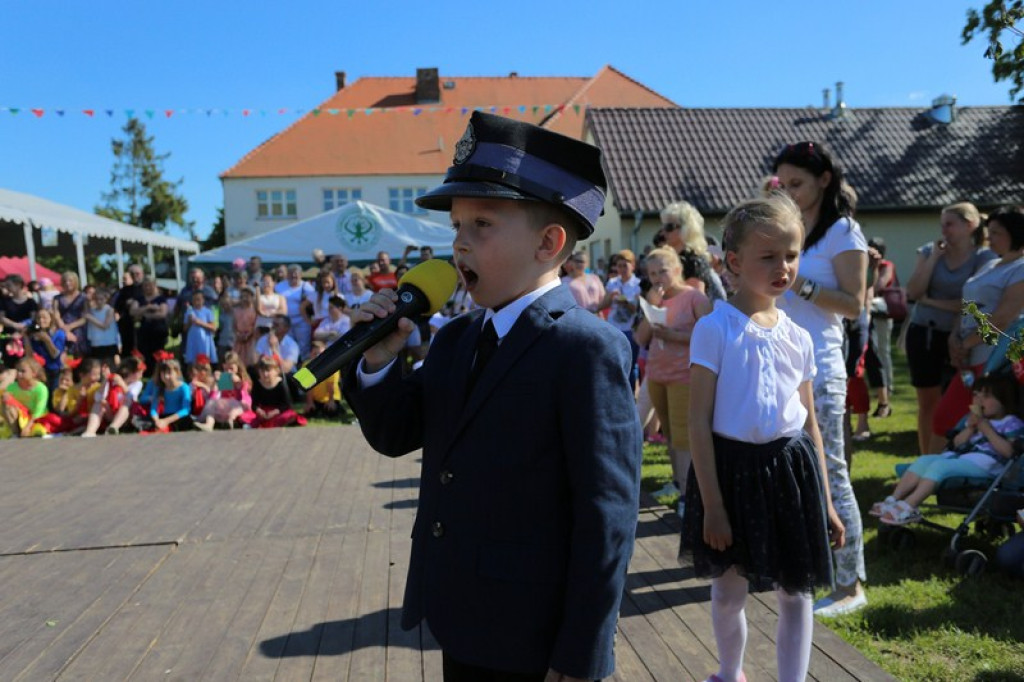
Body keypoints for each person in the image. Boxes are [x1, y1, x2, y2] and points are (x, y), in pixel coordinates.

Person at [342, 111, 641, 681]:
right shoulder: (456, 339)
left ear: (549, 242)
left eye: (482, 224)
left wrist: (582, 656)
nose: (458, 244)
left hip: (539, 631)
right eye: (456, 225)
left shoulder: (586, 348)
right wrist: (379, 362)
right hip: (461, 613)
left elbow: (607, 518)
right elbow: (396, 434)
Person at [681, 195, 842, 682]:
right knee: (730, 592)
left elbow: (810, 424)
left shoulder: (799, 335)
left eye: (791, 255)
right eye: (768, 256)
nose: (783, 267)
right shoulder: (715, 329)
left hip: (791, 472)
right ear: (734, 261)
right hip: (730, 473)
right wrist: (712, 505)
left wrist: (827, 502)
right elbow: (698, 422)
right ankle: (730, 674)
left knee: (797, 591)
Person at [773, 140, 868, 617]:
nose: (788, 192)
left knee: (832, 471)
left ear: (824, 180)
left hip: (823, 368)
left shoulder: (843, 231)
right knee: (790, 469)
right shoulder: (793, 227)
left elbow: (855, 303)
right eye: (782, 184)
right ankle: (810, 567)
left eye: (797, 184)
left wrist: (800, 283)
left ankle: (851, 584)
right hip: (778, 363)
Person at [904, 202, 996, 454]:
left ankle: (955, 457)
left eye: (950, 224)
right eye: (941, 224)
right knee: (928, 402)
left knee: (962, 401)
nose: (943, 230)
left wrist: (932, 301)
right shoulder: (928, 251)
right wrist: (933, 258)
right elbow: (913, 292)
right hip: (924, 334)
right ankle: (925, 459)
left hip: (962, 340)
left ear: (970, 225)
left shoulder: (984, 258)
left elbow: (970, 303)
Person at [872, 374, 1024, 525]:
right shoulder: (973, 420)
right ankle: (893, 499)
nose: (979, 400)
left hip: (989, 465)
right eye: (976, 395)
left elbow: (1010, 452)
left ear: (1003, 401)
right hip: (965, 459)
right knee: (925, 460)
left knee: (940, 466)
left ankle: (909, 505)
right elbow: (956, 444)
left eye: (987, 396)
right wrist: (970, 428)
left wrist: (986, 429)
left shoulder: (1010, 422)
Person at [935, 206, 1024, 440]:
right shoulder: (991, 264)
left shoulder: (1021, 268)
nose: (988, 238)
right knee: (944, 420)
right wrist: (955, 337)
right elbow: (968, 305)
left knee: (975, 426)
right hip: (969, 358)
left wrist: (966, 344)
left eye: (996, 233)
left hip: (995, 361)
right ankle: (929, 471)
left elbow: (1003, 318)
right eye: (988, 231)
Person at [634, 247, 712, 512]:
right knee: (668, 434)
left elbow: (711, 337)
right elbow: (640, 338)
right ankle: (678, 485)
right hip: (657, 375)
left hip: (685, 377)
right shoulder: (657, 299)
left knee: (683, 438)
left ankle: (689, 497)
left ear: (677, 270)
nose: (658, 278)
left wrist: (674, 337)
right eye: (653, 273)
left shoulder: (695, 298)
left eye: (663, 271)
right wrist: (651, 306)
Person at [660, 201, 727, 302]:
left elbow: (694, 302)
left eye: (669, 227)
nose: (663, 232)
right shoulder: (673, 258)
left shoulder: (693, 261)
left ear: (685, 229)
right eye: (663, 227)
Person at [601, 249, 643, 389]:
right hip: (613, 328)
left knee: (630, 365)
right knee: (613, 363)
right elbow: (604, 304)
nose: (622, 269)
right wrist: (610, 296)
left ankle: (630, 394)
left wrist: (626, 302)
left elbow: (637, 310)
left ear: (633, 266)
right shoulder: (612, 282)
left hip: (630, 329)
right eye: (619, 266)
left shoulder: (638, 284)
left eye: (625, 265)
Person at [193, 351, 253, 431]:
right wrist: (216, 382)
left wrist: (238, 383)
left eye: (231, 369)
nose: (229, 372)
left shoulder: (242, 380)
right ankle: (209, 424)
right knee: (211, 404)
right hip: (225, 406)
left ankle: (230, 423)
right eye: (226, 369)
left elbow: (244, 395)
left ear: (237, 367)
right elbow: (215, 396)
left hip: (241, 405)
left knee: (234, 411)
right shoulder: (225, 379)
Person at [245, 354, 305, 428]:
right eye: (262, 371)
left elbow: (287, 404)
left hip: (278, 411)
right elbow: (254, 404)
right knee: (247, 416)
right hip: (263, 411)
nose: (265, 374)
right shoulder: (258, 384)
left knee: (289, 415)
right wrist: (259, 411)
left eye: (268, 371)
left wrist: (274, 412)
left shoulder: (281, 384)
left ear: (276, 371)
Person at [0, 356, 50, 438]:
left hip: (37, 419)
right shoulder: (12, 387)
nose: (19, 374)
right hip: (22, 417)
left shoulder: (41, 389)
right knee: (6, 400)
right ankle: (15, 433)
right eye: (18, 371)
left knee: (38, 431)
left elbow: (38, 412)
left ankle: (25, 431)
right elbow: (4, 409)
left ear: (33, 373)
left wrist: (27, 427)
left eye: (23, 371)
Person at [276, 264, 316, 358]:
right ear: (287, 275)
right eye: (291, 274)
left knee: (304, 345)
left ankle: (303, 364)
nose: (294, 276)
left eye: (296, 274)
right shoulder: (279, 286)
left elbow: (313, 302)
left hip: (302, 320)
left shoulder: (307, 287)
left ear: (301, 275)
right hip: (286, 321)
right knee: (287, 344)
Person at [131, 279, 168, 377]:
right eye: (145, 286)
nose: (147, 288)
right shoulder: (139, 298)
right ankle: (145, 374)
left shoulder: (161, 298)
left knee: (158, 354)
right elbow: (133, 311)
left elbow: (163, 313)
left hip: (158, 331)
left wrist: (145, 315)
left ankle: (158, 375)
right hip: (143, 332)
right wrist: (149, 307)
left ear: (154, 285)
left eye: (149, 285)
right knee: (143, 354)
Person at [29, 308, 67, 395]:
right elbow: (29, 355)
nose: (41, 320)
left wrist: (47, 340)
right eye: (38, 318)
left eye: (44, 318)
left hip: (54, 371)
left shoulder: (59, 334)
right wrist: (26, 337)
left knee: (53, 396)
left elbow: (55, 355)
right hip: (39, 371)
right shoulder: (34, 334)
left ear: (51, 319)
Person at [149, 358, 193, 432]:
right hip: (163, 417)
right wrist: (157, 421)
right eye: (163, 373)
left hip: (177, 417)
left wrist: (166, 421)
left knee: (186, 420)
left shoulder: (184, 387)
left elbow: (186, 409)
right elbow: (153, 409)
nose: (166, 376)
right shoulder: (158, 388)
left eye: (169, 373)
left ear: (177, 373)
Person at [53, 271, 89, 357]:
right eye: (65, 281)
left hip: (79, 328)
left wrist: (70, 327)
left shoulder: (84, 297)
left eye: (70, 281)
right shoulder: (57, 298)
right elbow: (56, 314)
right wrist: (64, 328)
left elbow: (85, 317)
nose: (67, 283)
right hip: (61, 327)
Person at [302, 340, 341, 418]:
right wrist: (310, 402)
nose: (317, 356)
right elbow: (307, 386)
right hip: (316, 399)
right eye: (314, 354)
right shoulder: (306, 365)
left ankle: (337, 407)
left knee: (331, 413)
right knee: (309, 414)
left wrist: (331, 401)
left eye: (320, 353)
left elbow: (331, 385)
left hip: (331, 397)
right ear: (310, 354)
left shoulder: (332, 365)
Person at [113, 264, 144, 356]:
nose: (135, 276)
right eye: (133, 274)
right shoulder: (124, 290)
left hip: (145, 325)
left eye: (137, 273)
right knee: (128, 352)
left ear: (142, 274)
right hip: (128, 326)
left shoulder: (147, 287)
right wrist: (127, 304)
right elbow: (117, 307)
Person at [182, 290, 218, 368]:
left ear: (203, 300)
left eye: (198, 299)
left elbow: (213, 328)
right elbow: (185, 329)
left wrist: (200, 323)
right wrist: (189, 321)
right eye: (194, 300)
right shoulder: (189, 312)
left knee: (204, 361)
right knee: (193, 362)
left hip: (205, 341)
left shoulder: (208, 311)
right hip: (193, 341)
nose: (196, 302)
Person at [84, 287, 118, 366]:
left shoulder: (109, 310)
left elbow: (105, 325)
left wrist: (90, 318)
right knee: (98, 366)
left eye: (101, 299)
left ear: (106, 299)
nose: (99, 301)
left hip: (108, 343)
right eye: (97, 299)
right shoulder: (92, 311)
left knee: (109, 366)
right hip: (96, 343)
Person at [232, 286, 258, 366]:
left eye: (247, 296)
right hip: (239, 339)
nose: (245, 299)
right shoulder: (236, 310)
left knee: (251, 361)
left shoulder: (255, 311)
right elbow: (233, 325)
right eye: (242, 296)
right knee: (237, 360)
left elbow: (255, 325)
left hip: (250, 339)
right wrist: (238, 334)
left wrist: (248, 335)